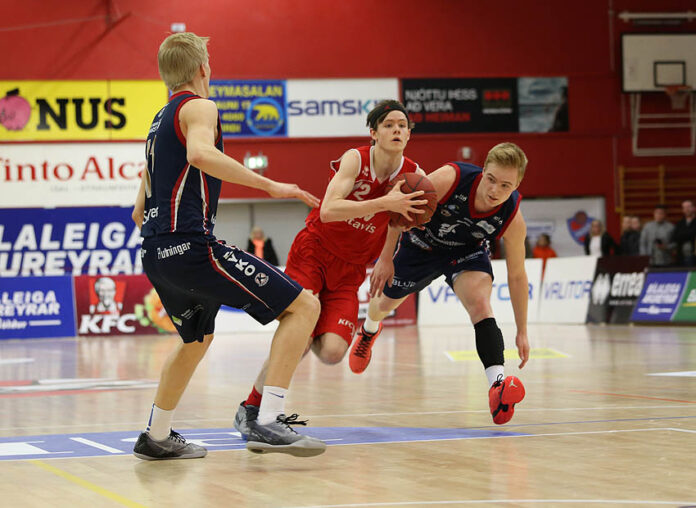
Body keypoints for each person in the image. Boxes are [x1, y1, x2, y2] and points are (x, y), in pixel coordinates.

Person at [131, 32, 327, 459]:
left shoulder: (158, 123)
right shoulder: (200, 106)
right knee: (304, 307)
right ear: (203, 67)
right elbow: (200, 154)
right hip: (189, 247)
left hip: (155, 253)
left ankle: (156, 436)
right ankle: (267, 419)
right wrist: (270, 185)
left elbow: (138, 209)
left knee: (195, 341)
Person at [233, 100, 428, 438]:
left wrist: (387, 257)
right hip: (314, 252)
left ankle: (301, 342)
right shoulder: (356, 159)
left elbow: (398, 220)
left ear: (409, 134)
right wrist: (385, 202)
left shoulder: (414, 175)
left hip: (351, 268)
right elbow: (329, 210)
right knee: (300, 337)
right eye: (389, 125)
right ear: (373, 132)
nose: (397, 130)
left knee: (333, 352)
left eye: (402, 125)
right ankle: (253, 409)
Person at [349, 142, 531, 426]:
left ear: (517, 185)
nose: (495, 190)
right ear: (483, 170)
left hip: (466, 252)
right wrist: (385, 258)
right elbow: (398, 208)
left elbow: (517, 276)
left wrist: (522, 330)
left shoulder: (512, 218)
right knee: (383, 304)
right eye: (491, 179)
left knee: (481, 305)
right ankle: (369, 331)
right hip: (421, 245)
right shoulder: (451, 178)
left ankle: (497, 387)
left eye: (505, 185)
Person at [671, 199, 696, 266]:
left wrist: (683, 235)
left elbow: (693, 234)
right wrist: (689, 234)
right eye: (684, 207)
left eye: (688, 207)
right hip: (681, 257)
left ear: (694, 208)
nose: (686, 209)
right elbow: (675, 237)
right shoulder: (680, 223)